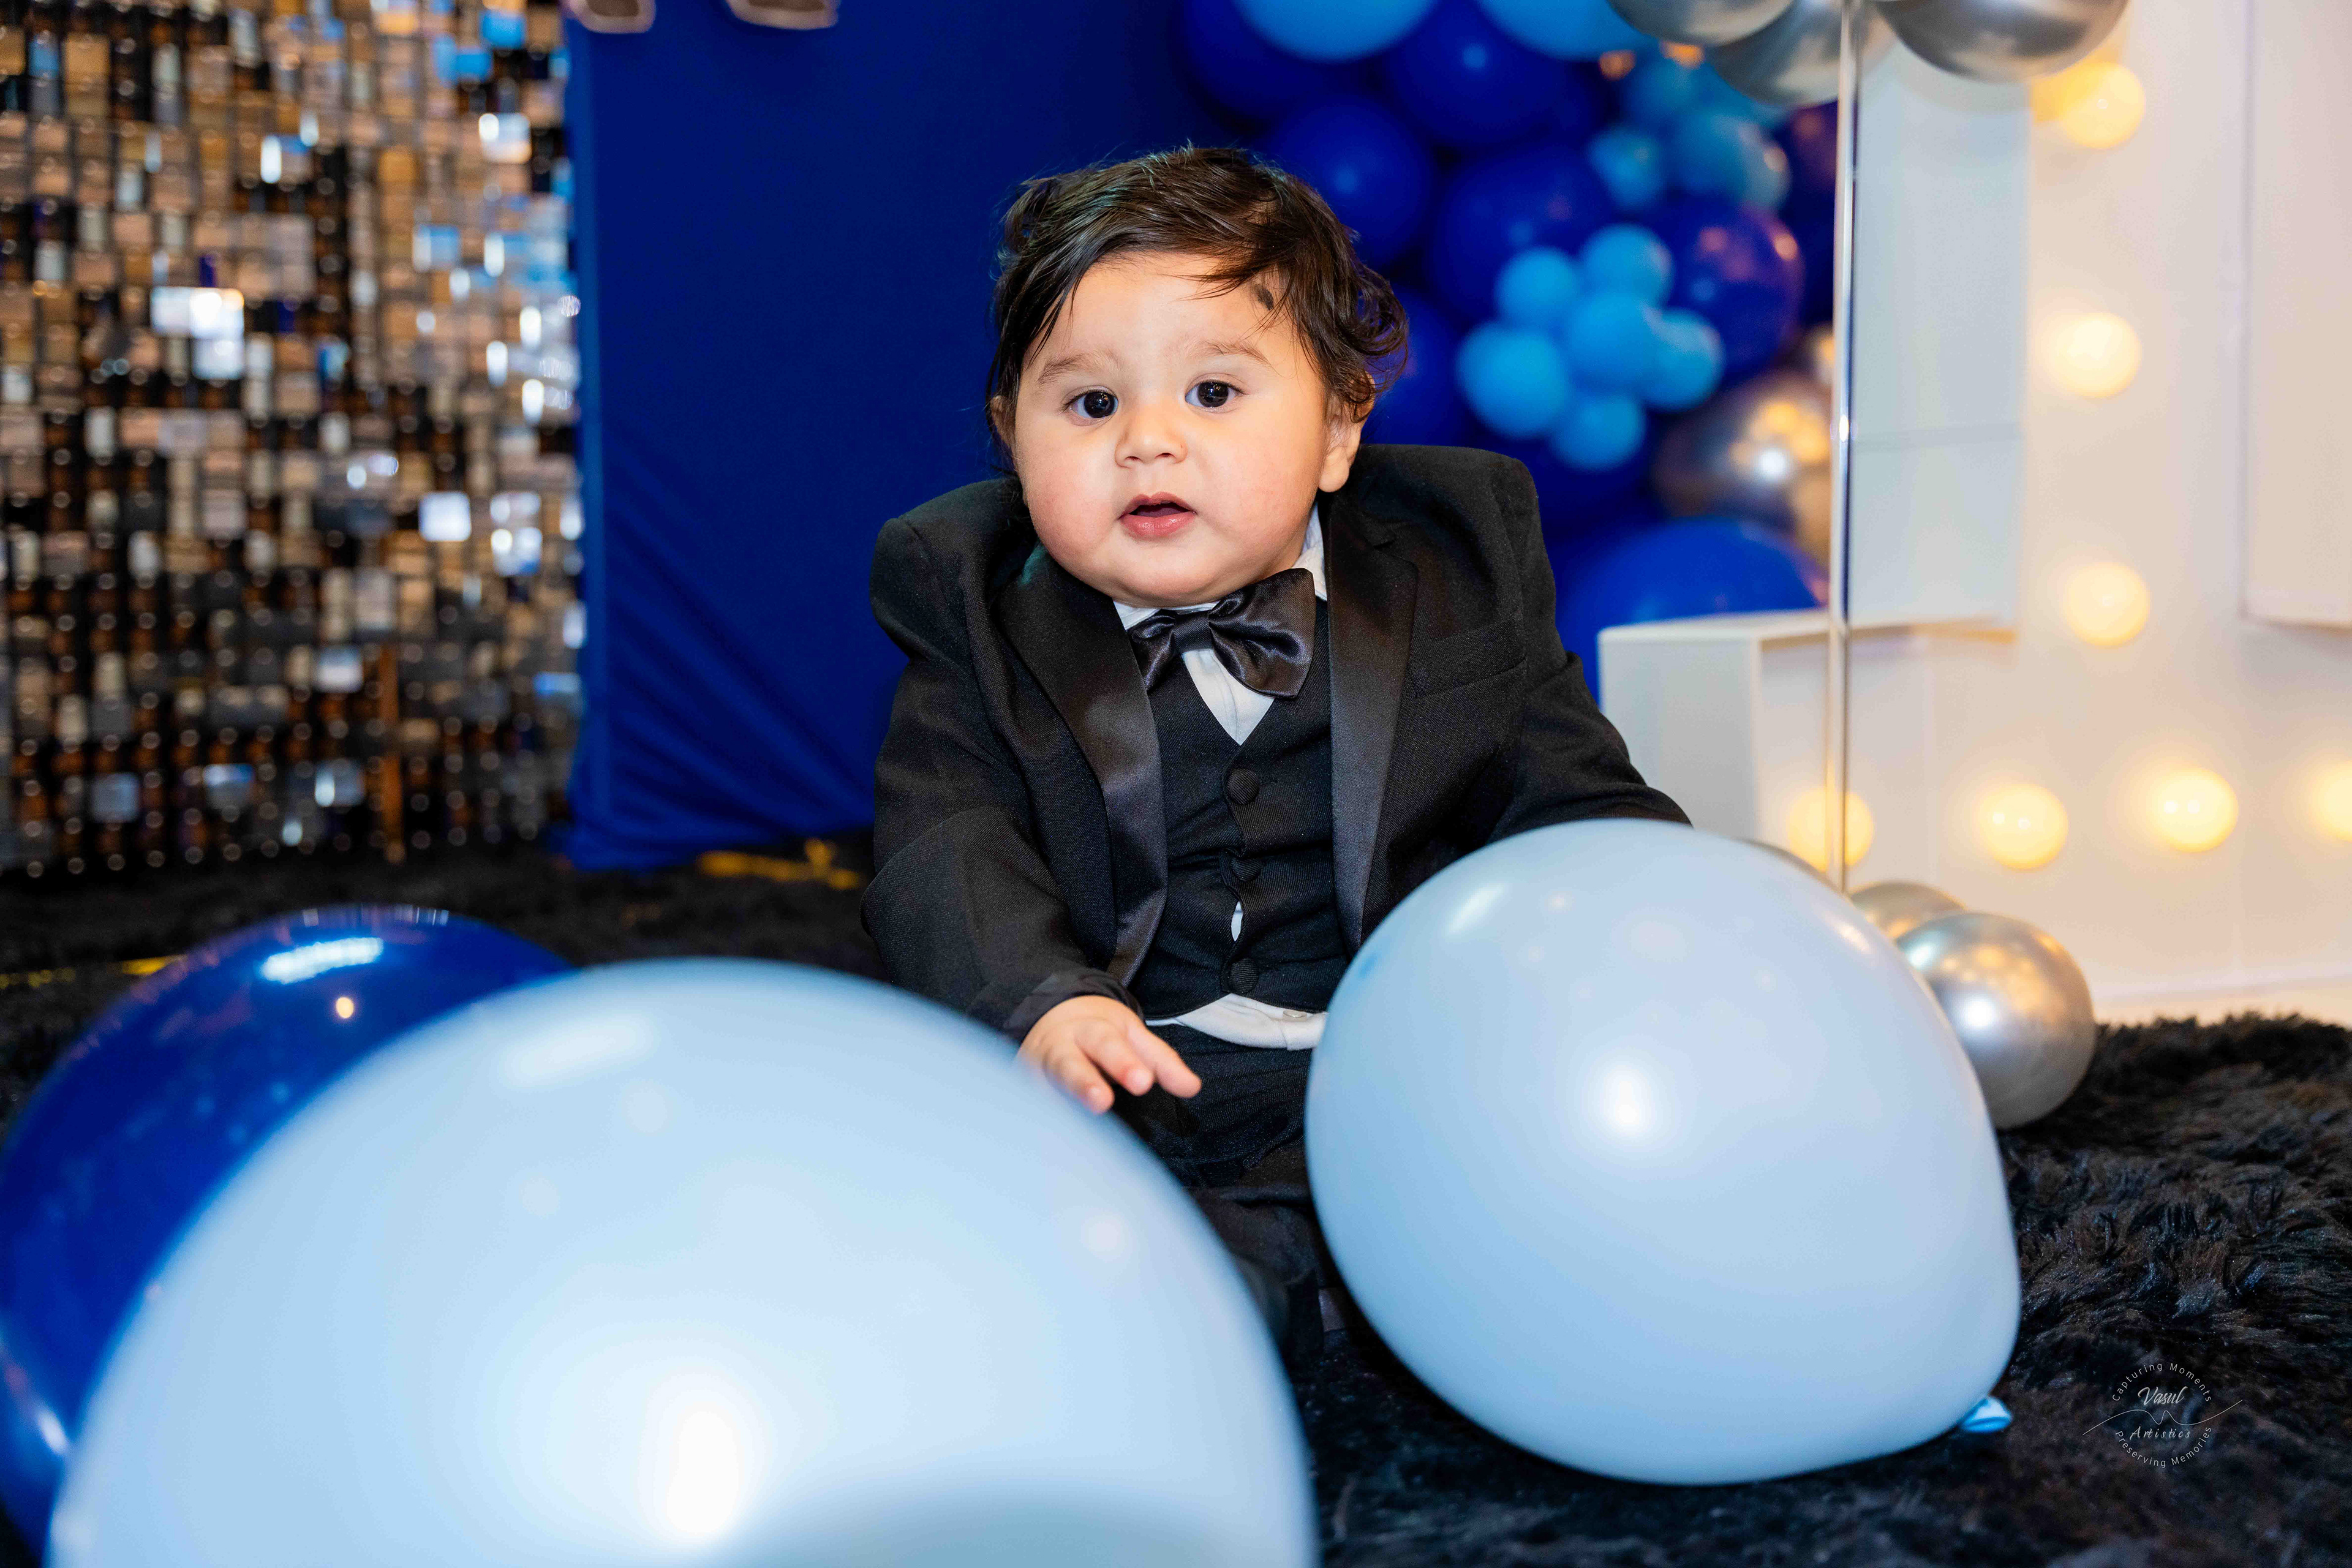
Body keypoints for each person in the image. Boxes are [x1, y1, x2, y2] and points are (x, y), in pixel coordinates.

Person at [864, 144, 1688, 1374]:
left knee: (1564, 1206)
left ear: (1341, 427)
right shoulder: (967, 596)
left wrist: (1656, 920)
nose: (1148, 442)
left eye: (1213, 393)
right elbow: (947, 839)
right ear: (1011, 439)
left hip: (1399, 1069)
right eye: (1090, 406)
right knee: (1066, 1248)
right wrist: (1048, 1002)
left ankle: (1386, 1276)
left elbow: (1573, 802)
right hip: (1132, 1080)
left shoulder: (1457, 564)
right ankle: (1214, 1308)